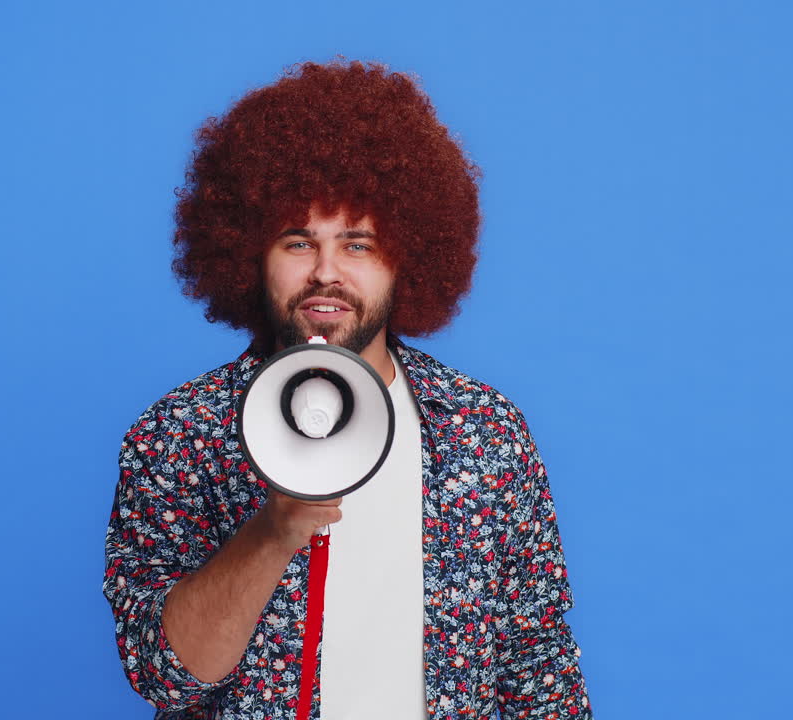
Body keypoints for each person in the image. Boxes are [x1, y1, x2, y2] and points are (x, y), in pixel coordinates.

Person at [104, 59, 593, 720]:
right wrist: (274, 531)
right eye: (298, 242)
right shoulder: (179, 434)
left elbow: (539, 670)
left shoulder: (486, 434)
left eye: (358, 244)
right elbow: (166, 676)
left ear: (408, 255)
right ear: (250, 253)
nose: (326, 273)